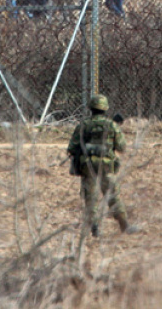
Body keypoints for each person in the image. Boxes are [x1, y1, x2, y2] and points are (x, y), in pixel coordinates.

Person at [67, 94, 139, 237]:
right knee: (113, 196)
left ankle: (94, 229)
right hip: (106, 167)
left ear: (91, 108)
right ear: (105, 108)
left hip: (88, 167)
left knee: (91, 199)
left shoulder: (83, 125)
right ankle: (125, 226)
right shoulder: (111, 125)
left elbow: (72, 148)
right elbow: (121, 147)